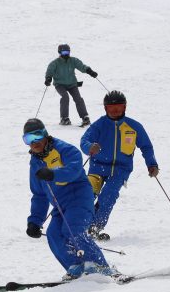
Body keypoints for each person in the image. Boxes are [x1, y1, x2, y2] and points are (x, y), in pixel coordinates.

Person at [23, 118, 114, 280]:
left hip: (79, 199)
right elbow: (39, 194)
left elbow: (74, 169)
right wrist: (35, 221)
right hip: (60, 206)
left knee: (73, 229)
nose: (34, 142)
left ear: (45, 134)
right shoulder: (35, 163)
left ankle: (99, 266)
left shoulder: (64, 150)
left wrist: (53, 174)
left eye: (37, 136)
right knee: (53, 234)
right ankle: (76, 266)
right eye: (28, 139)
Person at [79, 90, 159, 240]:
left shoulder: (133, 126)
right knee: (88, 193)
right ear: (105, 108)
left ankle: (94, 227)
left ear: (125, 107)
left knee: (108, 195)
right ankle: (78, 225)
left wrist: (152, 164)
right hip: (98, 167)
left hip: (120, 170)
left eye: (119, 107)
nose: (115, 111)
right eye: (111, 108)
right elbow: (84, 140)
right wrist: (89, 147)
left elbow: (146, 146)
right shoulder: (99, 125)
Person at [44, 43, 98, 127]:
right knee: (65, 97)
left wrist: (89, 71)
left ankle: (85, 117)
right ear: (59, 52)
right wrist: (48, 78)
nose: (66, 54)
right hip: (60, 84)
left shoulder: (73, 60)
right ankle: (64, 118)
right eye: (64, 52)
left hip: (72, 84)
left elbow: (81, 66)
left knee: (78, 99)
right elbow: (49, 71)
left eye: (67, 52)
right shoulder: (55, 63)